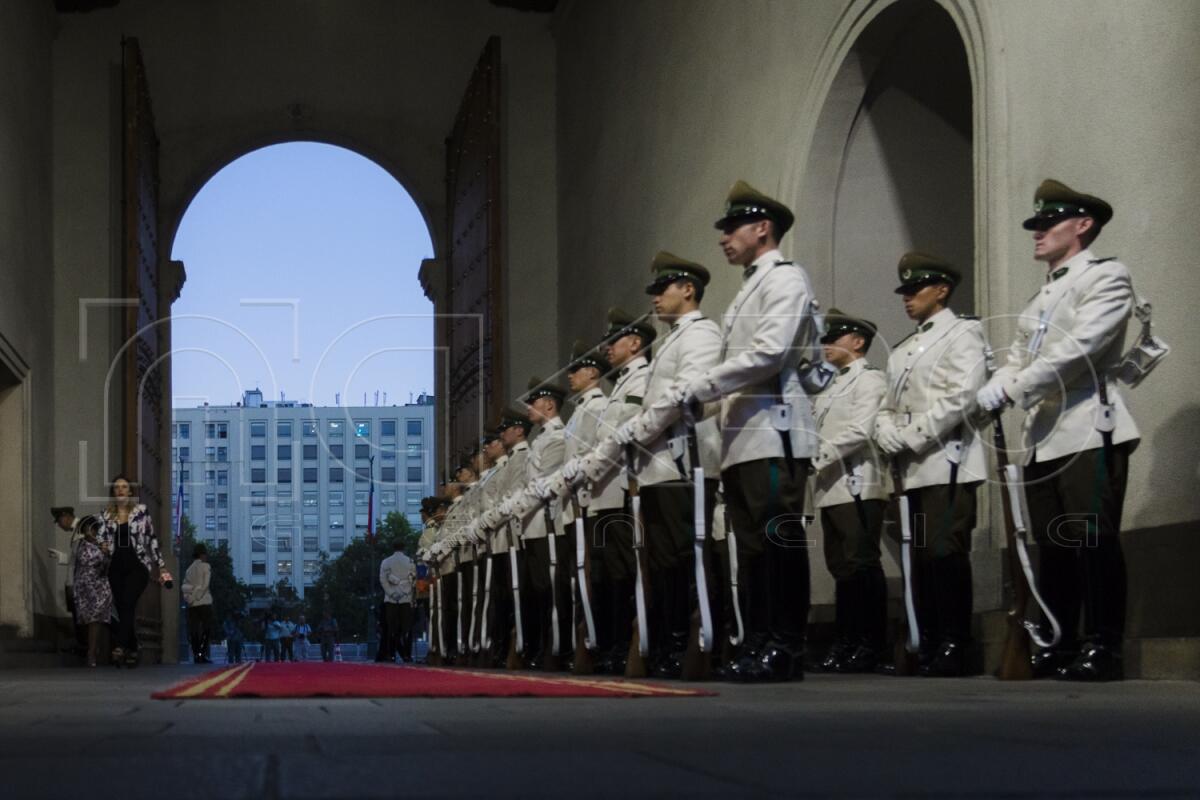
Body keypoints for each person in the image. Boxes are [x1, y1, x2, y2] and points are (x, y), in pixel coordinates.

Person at [977, 179, 1139, 682]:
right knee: (1055, 548)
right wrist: (999, 380)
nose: (1038, 232)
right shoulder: (1040, 296)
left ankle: (1103, 645)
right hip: (1044, 435)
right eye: (1037, 224)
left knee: (1092, 539)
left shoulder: (1106, 277)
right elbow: (1019, 355)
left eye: (1049, 223)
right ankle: (1062, 641)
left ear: (1083, 225)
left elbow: (1082, 349)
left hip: (1088, 427)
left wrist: (1015, 387)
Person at [677, 181, 822, 683]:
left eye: (732, 227)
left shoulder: (785, 279)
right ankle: (759, 641)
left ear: (763, 229)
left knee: (778, 543)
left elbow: (771, 353)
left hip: (774, 433)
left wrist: (704, 384)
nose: (723, 238)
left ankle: (786, 645)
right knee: (753, 551)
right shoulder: (749, 290)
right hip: (744, 439)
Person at [876, 252, 988, 677]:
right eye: (904, 291)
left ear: (941, 290)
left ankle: (955, 643)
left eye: (915, 289)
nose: (907, 298)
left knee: (945, 553)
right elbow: (887, 405)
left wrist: (910, 436)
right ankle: (927, 642)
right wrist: (884, 430)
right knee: (920, 557)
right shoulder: (903, 350)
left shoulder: (963, 333)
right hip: (912, 470)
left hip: (946, 462)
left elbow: (962, 395)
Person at [611, 252, 722, 678]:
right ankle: (671, 642)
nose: (655, 298)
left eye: (663, 289)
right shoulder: (673, 338)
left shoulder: (700, 334)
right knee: (664, 563)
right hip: (662, 468)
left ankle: (691, 643)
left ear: (688, 290)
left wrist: (640, 427)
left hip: (683, 463)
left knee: (684, 559)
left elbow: (684, 393)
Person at [569, 307, 655, 675]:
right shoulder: (618, 386)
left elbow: (618, 438)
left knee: (622, 572)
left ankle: (622, 643)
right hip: (598, 494)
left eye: (613, 341)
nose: (607, 348)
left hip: (618, 489)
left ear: (635, 342)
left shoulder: (637, 381)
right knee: (603, 574)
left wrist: (586, 468)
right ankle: (609, 643)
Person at [809, 310, 889, 673]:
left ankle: (870, 643)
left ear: (857, 341)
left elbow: (860, 430)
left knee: (861, 565)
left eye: (834, 337)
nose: (826, 344)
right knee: (841, 567)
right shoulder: (830, 387)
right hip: (831, 487)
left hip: (858, 483)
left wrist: (817, 458)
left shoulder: (869, 379)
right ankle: (846, 641)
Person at [508, 377, 570, 670]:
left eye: (533, 402)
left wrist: (515, 507)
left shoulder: (557, 436)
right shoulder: (541, 439)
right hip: (531, 525)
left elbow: (543, 484)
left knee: (550, 590)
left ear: (549, 404)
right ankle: (542, 646)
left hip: (547, 523)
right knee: (536, 591)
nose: (529, 407)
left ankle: (555, 647)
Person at [98, 475, 172, 668]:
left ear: (130, 492)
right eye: (117, 488)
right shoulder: (105, 515)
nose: (121, 490)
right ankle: (133, 647)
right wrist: (103, 546)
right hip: (115, 567)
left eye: (124, 487)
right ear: (113, 493)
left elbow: (152, 539)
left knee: (129, 602)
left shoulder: (141, 512)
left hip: (137, 566)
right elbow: (101, 539)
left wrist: (161, 565)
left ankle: (121, 647)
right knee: (123, 608)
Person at [54, 506, 111, 667]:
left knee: (94, 620)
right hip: (82, 585)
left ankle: (92, 652)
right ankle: (90, 651)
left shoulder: (98, 541)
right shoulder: (81, 541)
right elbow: (76, 560)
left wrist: (106, 554)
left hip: (97, 586)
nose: (60, 525)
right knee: (84, 620)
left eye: (59, 521)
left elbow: (104, 563)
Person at [380, 539, 416, 662]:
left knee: (391, 628)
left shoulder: (386, 562)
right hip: (406, 598)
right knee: (406, 628)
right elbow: (413, 579)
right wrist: (406, 592)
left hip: (391, 599)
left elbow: (383, 580)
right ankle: (407, 654)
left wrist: (392, 593)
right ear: (403, 548)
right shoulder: (410, 561)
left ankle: (391, 654)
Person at [182, 542, 214, 664]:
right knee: (207, 629)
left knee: (194, 630)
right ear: (202, 555)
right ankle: (202, 653)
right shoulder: (205, 567)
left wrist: (190, 598)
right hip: (204, 601)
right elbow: (205, 585)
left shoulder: (188, 570)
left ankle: (196, 655)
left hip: (192, 604)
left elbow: (185, 587)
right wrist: (197, 595)